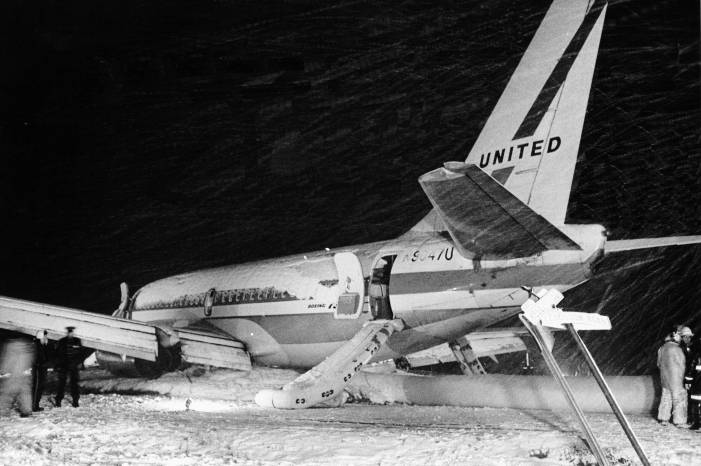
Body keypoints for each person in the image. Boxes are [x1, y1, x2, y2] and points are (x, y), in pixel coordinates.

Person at [657, 330, 688, 426]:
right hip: (676, 378)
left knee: (666, 397)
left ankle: (663, 418)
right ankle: (679, 421)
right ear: (674, 336)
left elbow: (658, 364)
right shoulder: (677, 349)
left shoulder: (662, 348)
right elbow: (682, 364)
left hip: (665, 378)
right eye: (680, 336)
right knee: (679, 399)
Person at [0, 337, 34, 417]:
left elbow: (8, 360)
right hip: (24, 374)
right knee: (25, 394)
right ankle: (26, 411)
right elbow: (30, 360)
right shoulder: (27, 348)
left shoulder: (11, 347)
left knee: (7, 393)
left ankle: (3, 410)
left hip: (14, 374)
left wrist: (4, 370)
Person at [54, 326, 83, 408]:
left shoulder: (77, 341)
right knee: (61, 383)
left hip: (73, 366)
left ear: (73, 333)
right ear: (67, 333)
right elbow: (58, 354)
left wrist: (77, 363)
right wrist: (59, 364)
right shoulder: (62, 341)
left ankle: (75, 401)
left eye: (72, 332)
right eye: (69, 332)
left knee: (74, 384)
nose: (70, 334)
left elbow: (80, 354)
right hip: (64, 365)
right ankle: (58, 400)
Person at [31, 330, 51, 411]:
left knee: (39, 387)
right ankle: (34, 406)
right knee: (37, 387)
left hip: (41, 368)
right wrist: (42, 364)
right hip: (38, 369)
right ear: (41, 337)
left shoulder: (41, 345)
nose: (46, 337)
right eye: (45, 336)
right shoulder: (37, 345)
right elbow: (37, 359)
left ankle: (35, 405)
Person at [685, 333, 701, 430]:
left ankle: (697, 424)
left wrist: (688, 382)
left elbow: (691, 369)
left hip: (698, 384)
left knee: (696, 402)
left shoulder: (697, 355)